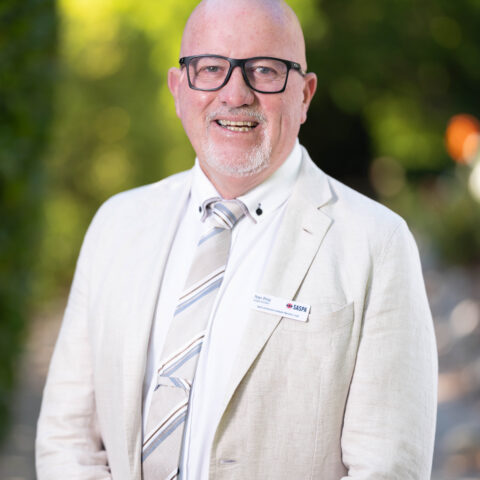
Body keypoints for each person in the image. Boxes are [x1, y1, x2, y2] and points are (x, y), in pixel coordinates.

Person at [36, 0, 438, 478]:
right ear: (178, 89)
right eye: (210, 68)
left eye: (264, 70)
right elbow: (67, 438)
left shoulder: (377, 244)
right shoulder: (116, 225)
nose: (235, 93)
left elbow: (387, 467)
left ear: (305, 95)